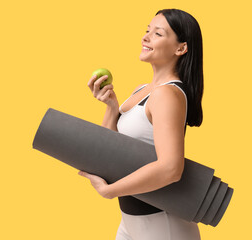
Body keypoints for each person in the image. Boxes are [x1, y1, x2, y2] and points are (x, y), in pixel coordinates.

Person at [79, 9, 203, 240]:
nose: (145, 37)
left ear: (181, 48)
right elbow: (110, 150)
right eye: (147, 31)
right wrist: (112, 108)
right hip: (131, 222)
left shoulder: (168, 94)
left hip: (162, 225)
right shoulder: (141, 90)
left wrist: (110, 191)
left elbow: (171, 169)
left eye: (157, 33)